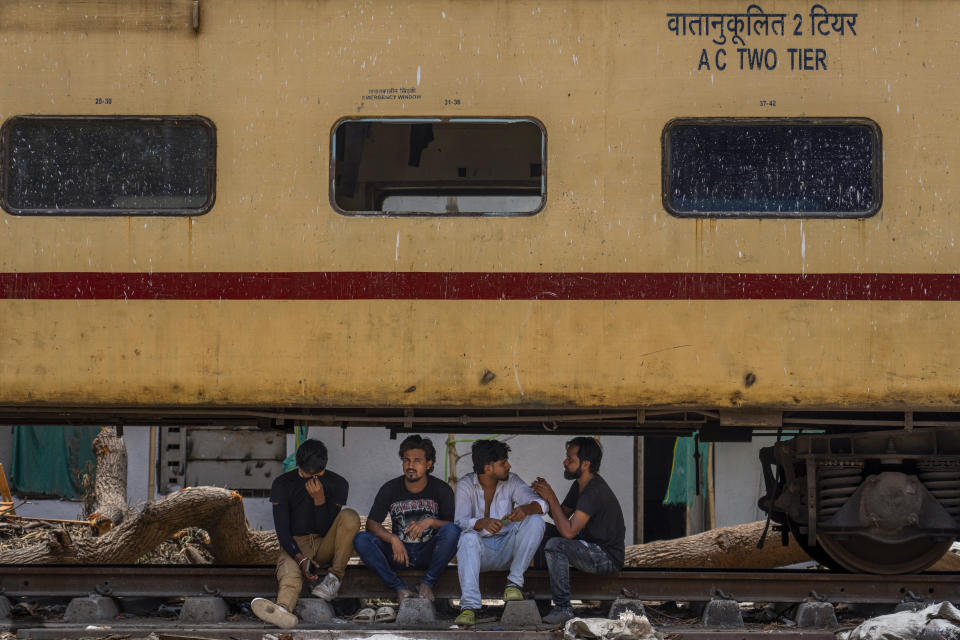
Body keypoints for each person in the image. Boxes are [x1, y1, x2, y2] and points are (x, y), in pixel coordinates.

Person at [251, 439, 361, 628]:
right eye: (304, 474)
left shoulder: (338, 483)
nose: (311, 479)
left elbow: (326, 528)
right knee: (290, 574)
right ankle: (283, 610)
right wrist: (300, 558)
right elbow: (283, 530)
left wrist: (319, 500)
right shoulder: (283, 483)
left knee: (350, 516)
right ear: (297, 464)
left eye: (317, 474)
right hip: (295, 542)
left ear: (324, 463)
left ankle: (333, 580)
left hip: (325, 542)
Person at [353, 435, 461, 609]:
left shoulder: (441, 489)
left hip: (429, 553)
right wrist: (392, 539)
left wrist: (430, 522)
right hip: (399, 554)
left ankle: (427, 584)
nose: (411, 466)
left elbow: (452, 527)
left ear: (429, 464)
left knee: (453, 532)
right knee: (361, 539)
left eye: (417, 461)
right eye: (406, 460)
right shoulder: (390, 488)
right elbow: (372, 524)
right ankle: (400, 588)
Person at [531, 436, 625, 625]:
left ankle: (563, 608)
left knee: (555, 545)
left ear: (586, 464)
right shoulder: (580, 485)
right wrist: (543, 500)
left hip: (605, 556)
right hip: (587, 545)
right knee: (541, 530)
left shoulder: (594, 491)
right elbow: (561, 515)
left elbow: (568, 532)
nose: (565, 462)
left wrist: (551, 497)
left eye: (570, 460)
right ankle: (542, 602)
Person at [453, 439, 546, 627]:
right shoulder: (465, 485)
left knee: (535, 521)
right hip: (479, 553)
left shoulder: (512, 481)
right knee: (468, 538)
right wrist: (481, 522)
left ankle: (513, 584)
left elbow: (542, 504)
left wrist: (527, 509)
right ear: (488, 468)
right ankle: (469, 607)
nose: (508, 466)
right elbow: (458, 524)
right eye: (503, 463)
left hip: (508, 549)